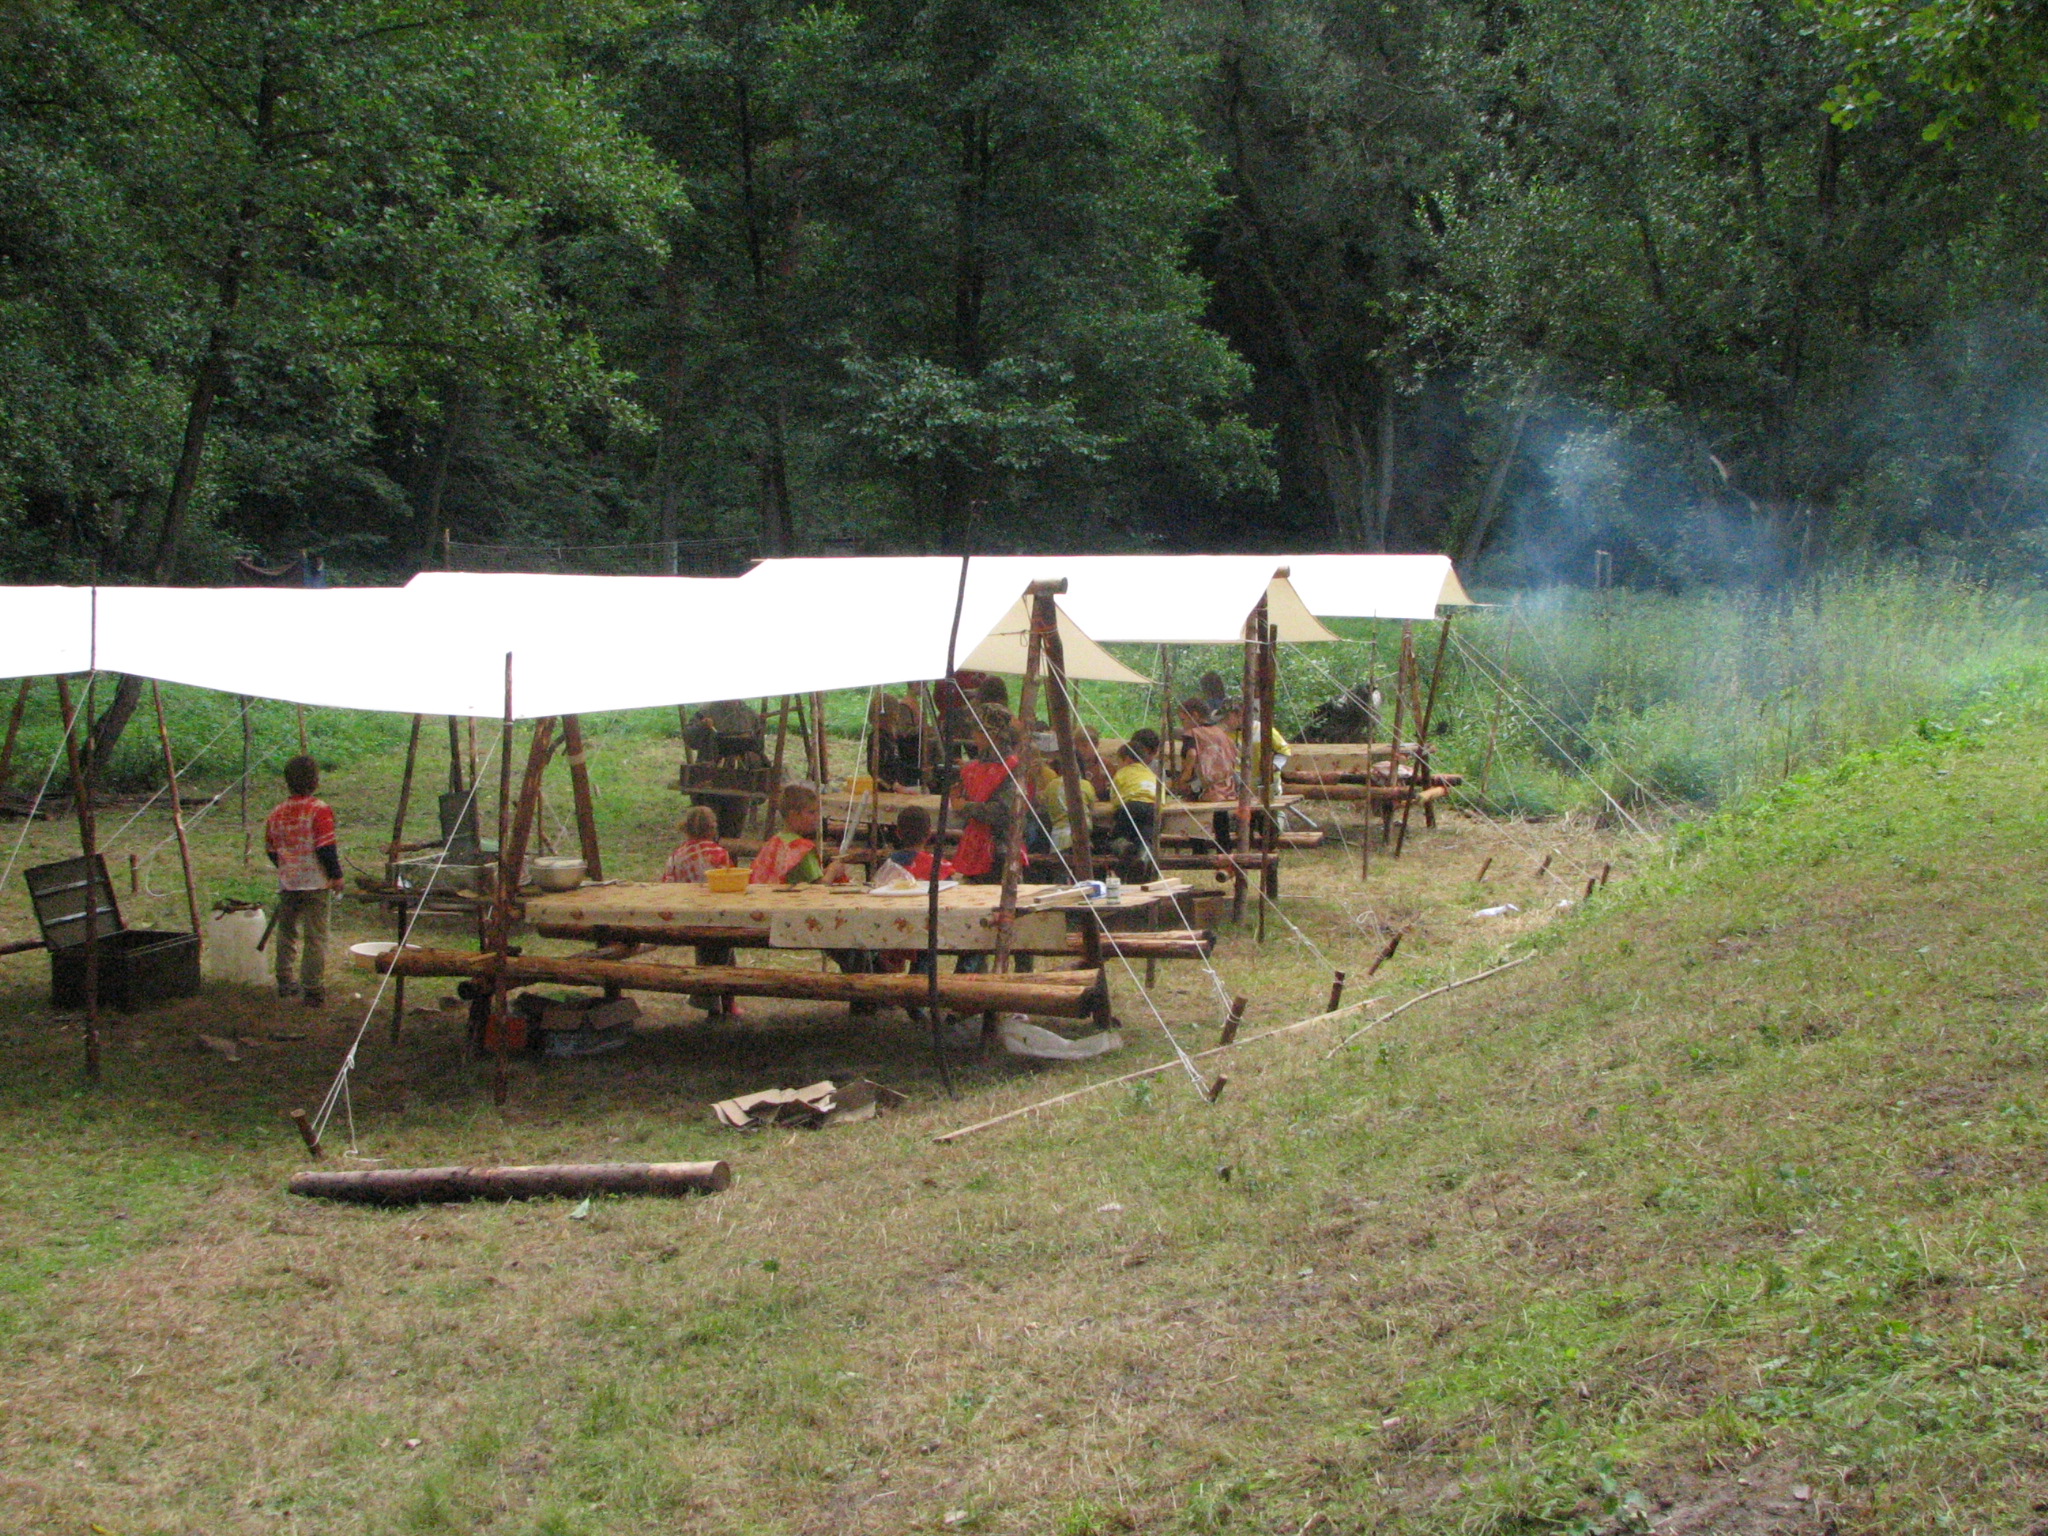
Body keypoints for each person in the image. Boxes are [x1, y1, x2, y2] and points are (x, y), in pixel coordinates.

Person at [264, 754, 342, 1007]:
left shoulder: (276, 812)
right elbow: (325, 847)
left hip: (288, 882)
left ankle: (285, 981)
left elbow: (271, 849)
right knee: (315, 937)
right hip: (315, 882)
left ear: (288, 782)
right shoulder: (319, 809)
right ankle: (312, 988)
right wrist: (336, 875)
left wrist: (287, 866)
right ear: (315, 781)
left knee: (286, 933)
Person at [749, 783, 849, 885]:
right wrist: (833, 871)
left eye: (817, 812)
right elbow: (819, 886)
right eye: (811, 812)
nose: (817, 817)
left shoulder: (775, 841)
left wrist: (826, 872)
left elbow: (808, 878)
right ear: (793, 815)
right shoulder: (802, 848)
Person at [1109, 729, 1162, 863]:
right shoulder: (1151, 774)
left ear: (1127, 760)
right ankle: (1144, 856)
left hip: (1131, 805)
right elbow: (1160, 794)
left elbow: (1115, 798)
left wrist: (1117, 807)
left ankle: (1125, 848)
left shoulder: (1122, 773)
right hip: (1153, 807)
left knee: (1117, 836)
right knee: (1145, 837)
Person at [662, 804, 734, 883]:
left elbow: (667, 883)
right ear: (713, 828)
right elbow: (731, 881)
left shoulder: (675, 857)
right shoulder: (720, 854)